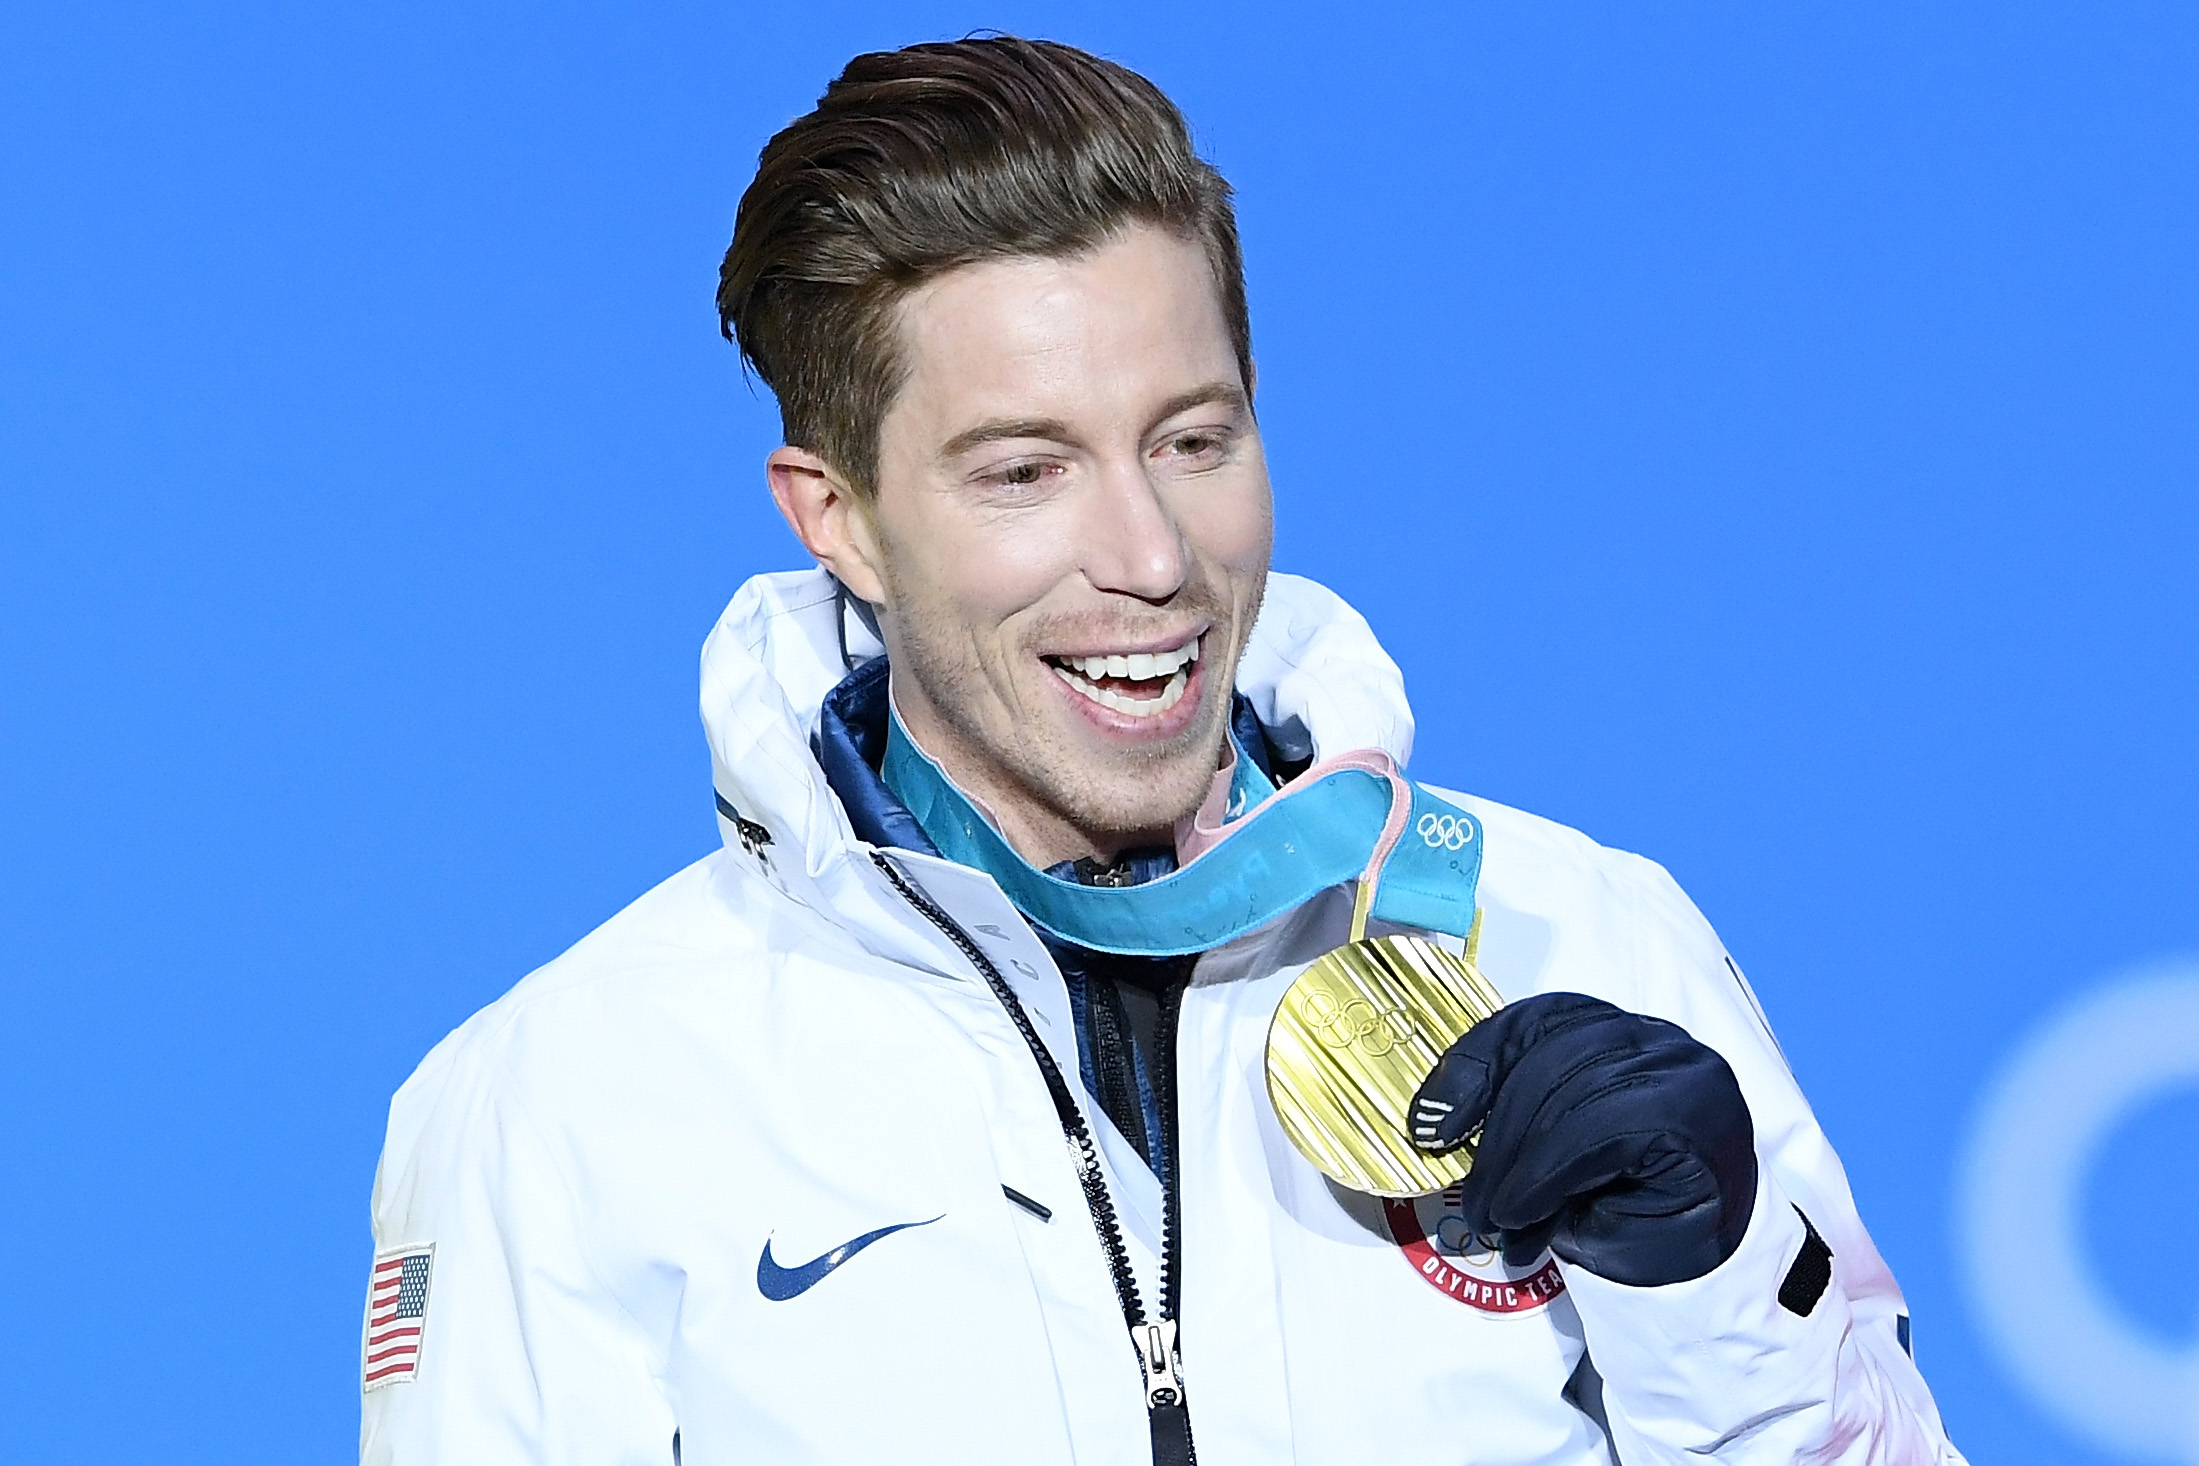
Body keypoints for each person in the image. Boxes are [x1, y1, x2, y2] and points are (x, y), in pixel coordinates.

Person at [361, 36, 1964, 1466]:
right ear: (834, 514)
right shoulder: (564, 1097)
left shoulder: (1577, 932)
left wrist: (1726, 1285)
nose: (1150, 553)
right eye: (1023, 472)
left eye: (1194, 439)